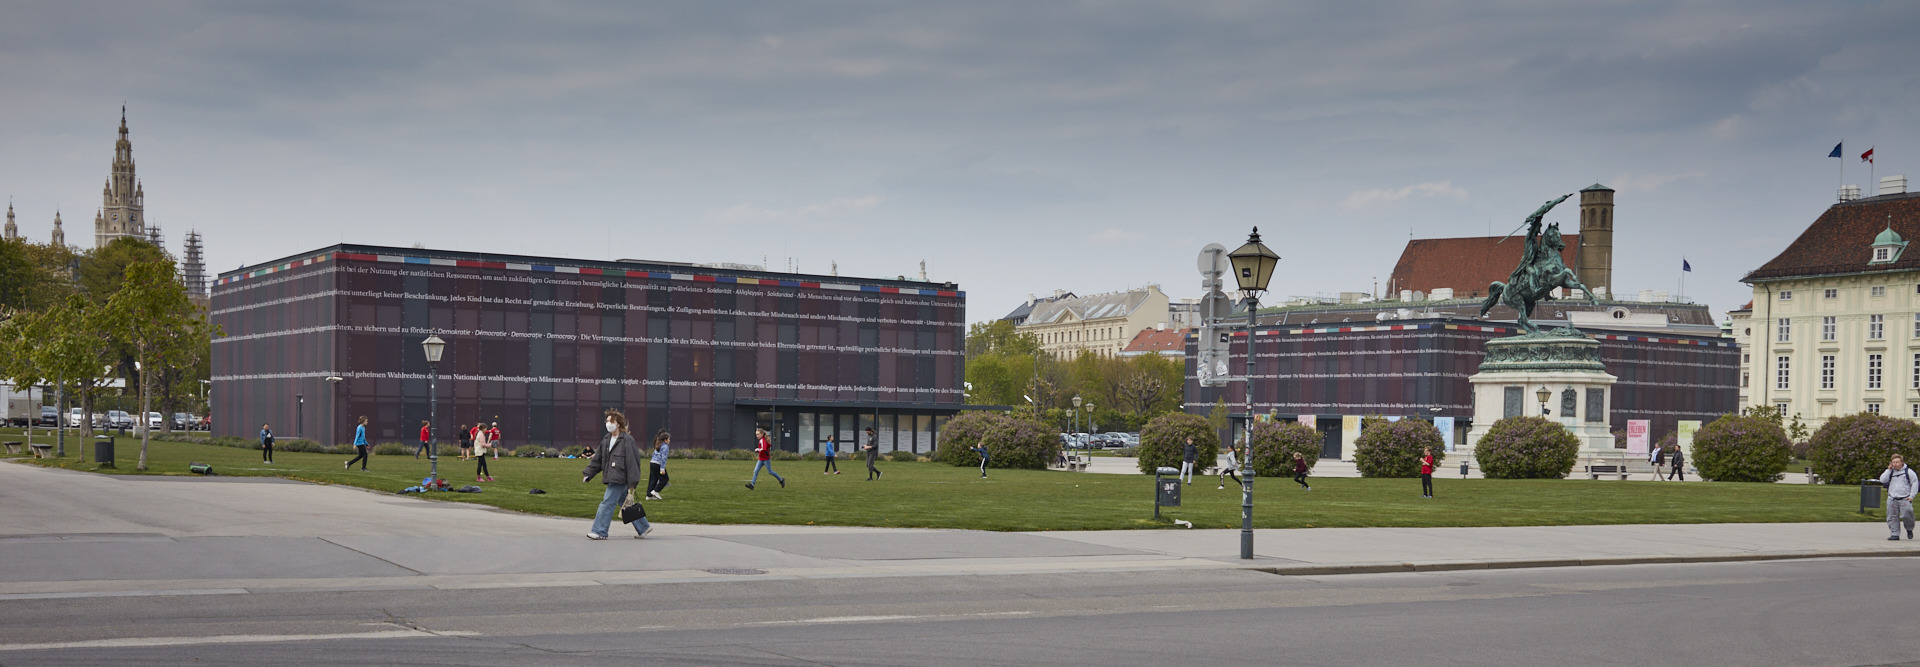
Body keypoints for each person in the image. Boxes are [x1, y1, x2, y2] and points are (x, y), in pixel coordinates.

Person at [583, 409, 651, 540]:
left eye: (611, 421)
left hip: (619, 479)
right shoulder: (606, 439)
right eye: (607, 421)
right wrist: (588, 474)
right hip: (612, 477)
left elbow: (633, 463)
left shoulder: (627, 440)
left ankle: (600, 531)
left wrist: (632, 484)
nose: (608, 424)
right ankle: (643, 527)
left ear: (618, 423)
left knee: (607, 503)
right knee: (626, 505)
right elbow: (598, 458)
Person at [1880, 454, 1917, 541]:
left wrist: (1911, 496)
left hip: (1905, 498)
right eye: (1893, 462)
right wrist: (1888, 470)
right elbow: (1882, 480)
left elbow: (1914, 484)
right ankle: (1895, 534)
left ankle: (1909, 528)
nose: (1895, 464)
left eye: (1897, 462)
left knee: (1908, 513)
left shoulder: (1909, 472)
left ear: (1902, 462)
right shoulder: (1890, 472)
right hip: (1892, 498)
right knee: (1892, 516)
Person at [647, 430, 671, 499]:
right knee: (665, 479)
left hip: (652, 462)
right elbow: (663, 458)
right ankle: (656, 491)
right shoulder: (665, 447)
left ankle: (649, 495)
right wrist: (662, 468)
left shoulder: (659, 445)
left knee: (653, 479)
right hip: (658, 464)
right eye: (668, 439)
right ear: (665, 440)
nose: (669, 440)